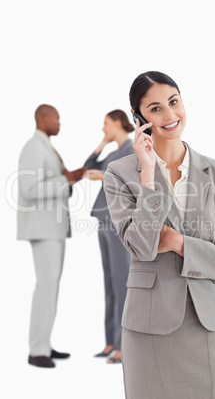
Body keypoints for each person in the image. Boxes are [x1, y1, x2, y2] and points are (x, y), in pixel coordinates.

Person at [103, 72, 215, 397]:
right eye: (155, 109)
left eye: (174, 102)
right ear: (138, 118)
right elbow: (141, 248)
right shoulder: (119, 174)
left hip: (206, 325)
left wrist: (180, 244)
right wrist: (147, 175)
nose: (170, 115)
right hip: (148, 329)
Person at [17, 104, 85, 368]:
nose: (59, 123)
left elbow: (50, 182)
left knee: (50, 288)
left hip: (51, 228)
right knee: (46, 287)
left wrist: (68, 179)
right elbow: (29, 188)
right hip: (43, 228)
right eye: (56, 118)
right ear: (43, 119)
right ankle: (37, 351)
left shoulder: (46, 146)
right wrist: (65, 179)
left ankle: (43, 344)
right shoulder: (34, 147)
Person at [83, 109, 134, 364]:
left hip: (118, 220)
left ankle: (125, 346)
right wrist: (102, 144)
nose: (103, 128)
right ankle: (111, 341)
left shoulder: (131, 149)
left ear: (117, 122)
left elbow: (133, 180)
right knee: (109, 283)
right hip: (103, 219)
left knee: (121, 280)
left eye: (106, 125)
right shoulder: (113, 152)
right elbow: (86, 168)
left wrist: (104, 176)